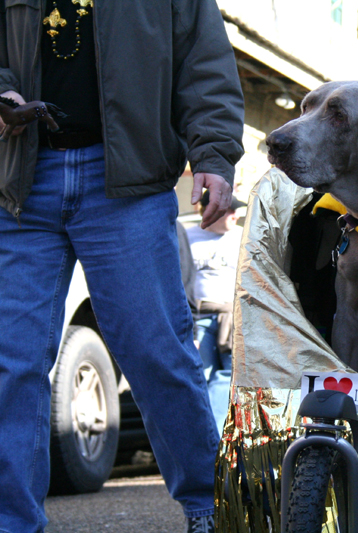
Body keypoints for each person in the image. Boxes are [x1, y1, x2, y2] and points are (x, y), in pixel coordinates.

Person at [0, 1, 244, 531]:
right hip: (21, 175)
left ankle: (210, 510)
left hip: (127, 181)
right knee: (10, 363)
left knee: (157, 351)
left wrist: (213, 155)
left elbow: (204, 64)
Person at [187, 191, 246, 435]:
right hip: (197, 318)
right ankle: (202, 436)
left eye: (236, 209)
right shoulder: (186, 236)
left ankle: (214, 436)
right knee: (199, 378)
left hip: (232, 318)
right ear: (208, 210)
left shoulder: (243, 236)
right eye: (229, 209)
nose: (235, 214)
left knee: (227, 376)